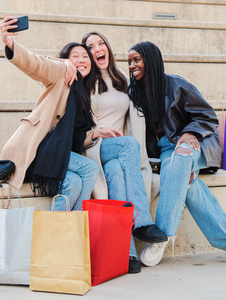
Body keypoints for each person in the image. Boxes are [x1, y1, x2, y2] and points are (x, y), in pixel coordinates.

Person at [127, 41, 226, 267]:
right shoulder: (134, 93)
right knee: (187, 183)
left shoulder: (176, 85)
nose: (132, 65)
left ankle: (161, 237)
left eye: (137, 59)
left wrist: (190, 133)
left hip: (195, 142)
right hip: (166, 150)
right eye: (129, 61)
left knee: (182, 157)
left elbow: (207, 116)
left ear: (151, 60)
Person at [80, 32, 167, 273]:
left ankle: (127, 253)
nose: (97, 48)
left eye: (100, 43)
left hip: (118, 156)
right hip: (97, 147)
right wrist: (99, 132)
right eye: (90, 46)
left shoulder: (123, 81)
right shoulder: (86, 83)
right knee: (129, 144)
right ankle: (141, 221)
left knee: (116, 174)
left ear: (107, 47)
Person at [0, 14, 99, 211]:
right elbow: (36, 63)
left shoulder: (83, 93)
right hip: (40, 151)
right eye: (75, 56)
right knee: (90, 168)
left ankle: (56, 239)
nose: (81, 60)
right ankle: (77, 225)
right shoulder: (62, 73)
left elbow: (72, 132)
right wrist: (10, 43)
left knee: (73, 183)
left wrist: (95, 134)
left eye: (86, 56)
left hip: (57, 154)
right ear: (66, 59)